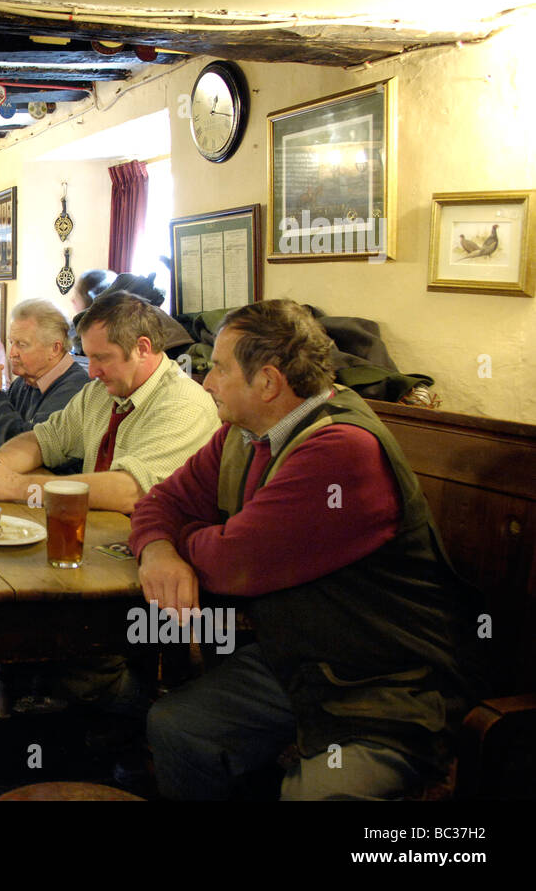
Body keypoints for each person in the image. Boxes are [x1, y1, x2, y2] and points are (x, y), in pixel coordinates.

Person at [130, 299, 481, 800]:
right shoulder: (242, 434)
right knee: (178, 726)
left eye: (219, 369)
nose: (205, 382)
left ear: (269, 382)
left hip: (383, 687)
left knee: (315, 795)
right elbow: (161, 500)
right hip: (295, 662)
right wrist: (158, 550)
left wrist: (184, 537)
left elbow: (235, 562)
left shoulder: (341, 450)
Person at [0, 292, 219, 512]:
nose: (91, 372)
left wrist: (16, 486)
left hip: (161, 552)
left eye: (102, 358)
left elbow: (130, 490)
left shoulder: (183, 405)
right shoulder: (99, 393)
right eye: (89, 357)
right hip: (99, 534)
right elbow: (41, 440)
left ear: (142, 348)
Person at [0, 299, 89, 468]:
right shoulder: (26, 382)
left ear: (55, 349)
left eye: (22, 345)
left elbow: (22, 450)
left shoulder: (75, 389)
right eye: (12, 343)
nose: (12, 353)